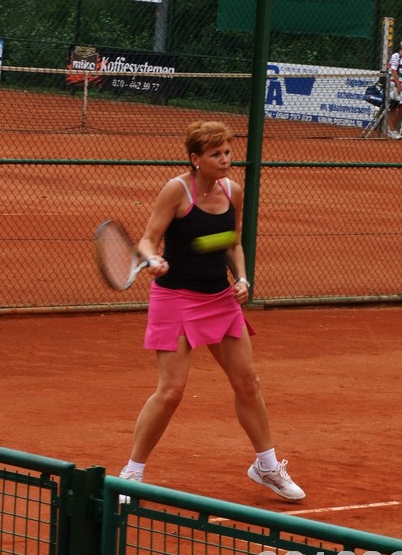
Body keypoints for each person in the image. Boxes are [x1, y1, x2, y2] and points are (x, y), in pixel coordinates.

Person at [119, 120, 305, 502]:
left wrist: (242, 278)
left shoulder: (233, 191)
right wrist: (153, 258)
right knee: (171, 391)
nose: (225, 159)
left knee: (248, 382)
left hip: (219, 299)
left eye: (227, 152)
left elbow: (232, 242)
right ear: (195, 159)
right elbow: (147, 239)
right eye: (215, 154)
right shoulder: (176, 190)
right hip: (174, 299)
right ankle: (131, 473)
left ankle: (266, 466)